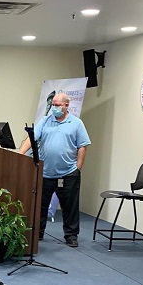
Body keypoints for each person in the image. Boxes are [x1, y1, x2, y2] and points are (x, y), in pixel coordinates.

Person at [19, 93, 91, 248]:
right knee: (40, 205)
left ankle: (71, 235)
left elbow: (82, 146)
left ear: (66, 106)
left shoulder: (76, 123)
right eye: (53, 105)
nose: (55, 108)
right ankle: (38, 232)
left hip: (68, 172)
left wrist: (77, 168)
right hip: (45, 172)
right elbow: (31, 139)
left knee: (70, 206)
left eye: (58, 105)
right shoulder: (45, 121)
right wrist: (20, 154)